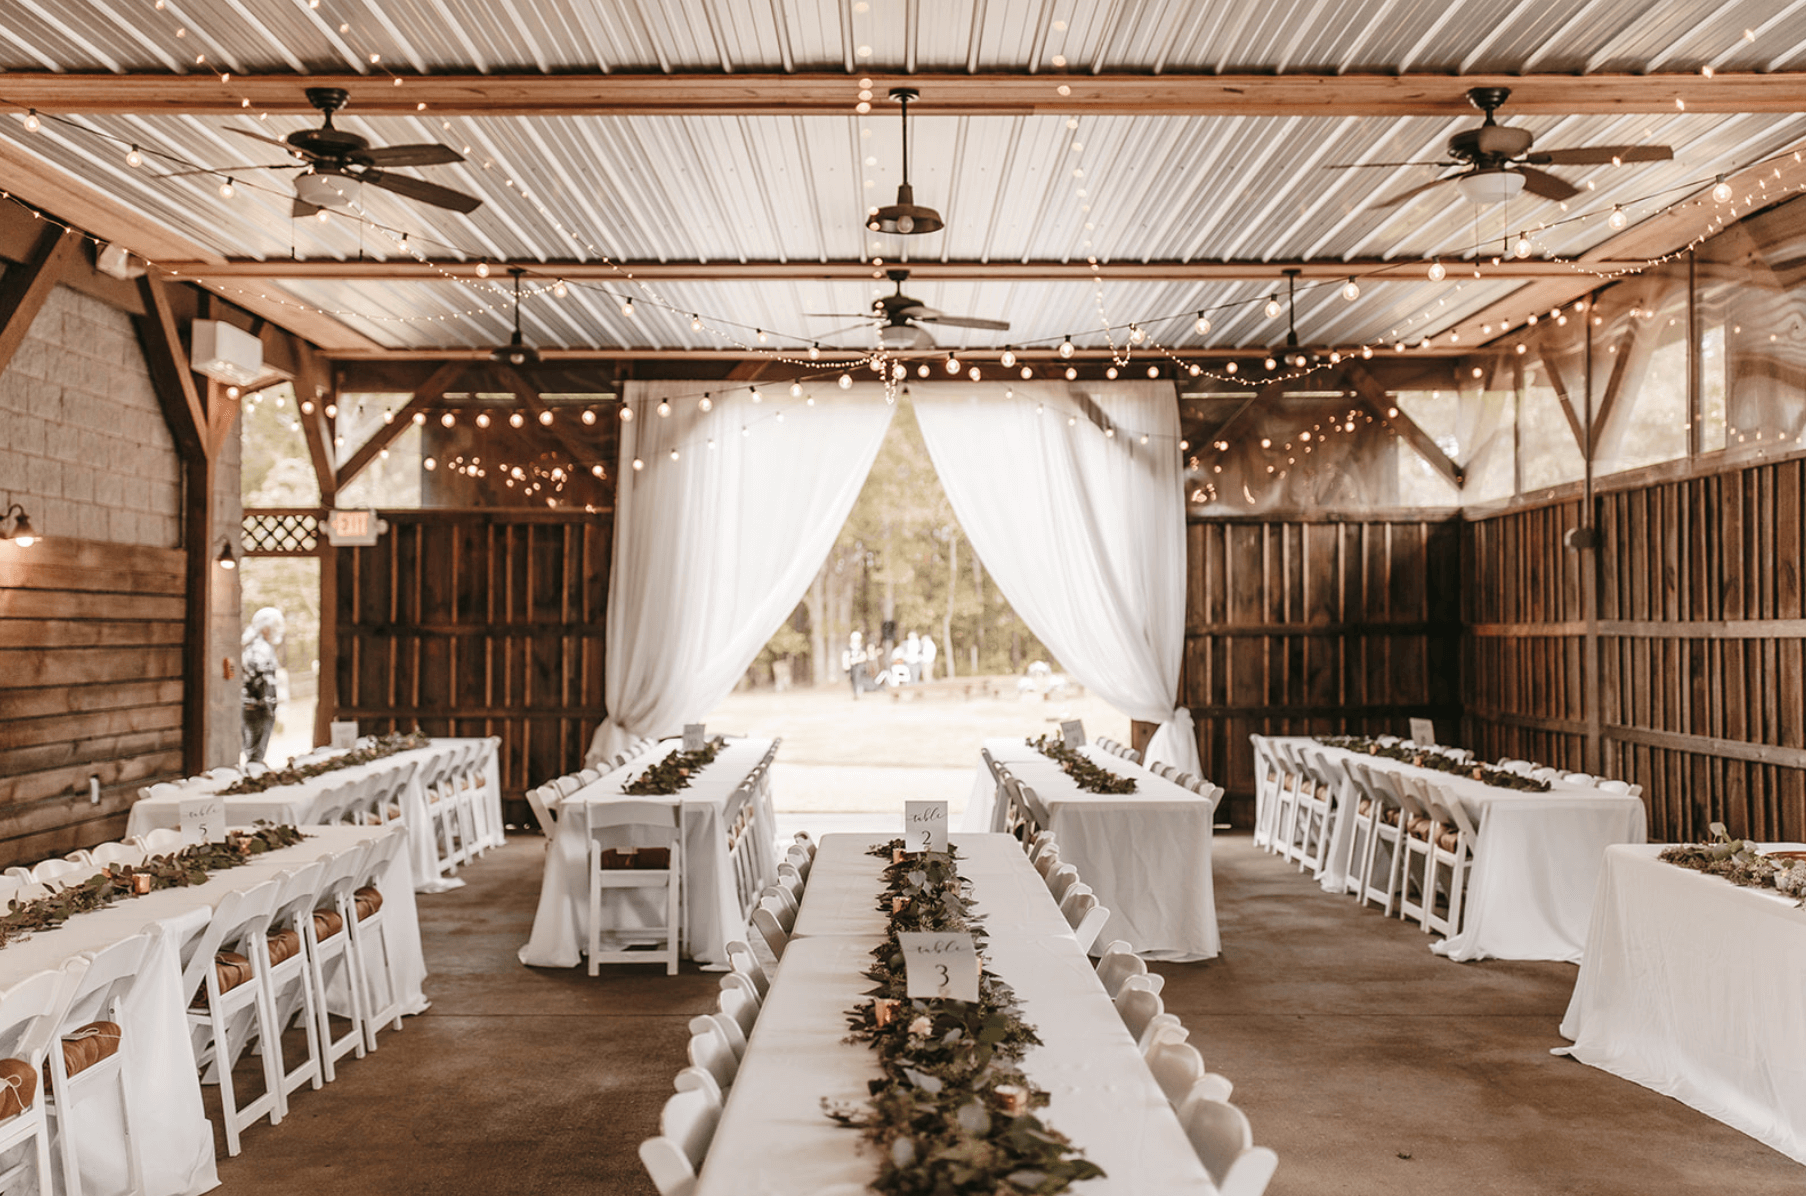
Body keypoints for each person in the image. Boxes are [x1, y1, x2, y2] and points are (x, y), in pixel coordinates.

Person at [241, 606, 285, 764]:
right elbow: (263, 682)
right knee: (255, 753)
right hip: (257, 707)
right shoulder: (261, 648)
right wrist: (269, 707)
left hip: (253, 706)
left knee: (253, 750)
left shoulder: (253, 645)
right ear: (265, 627)